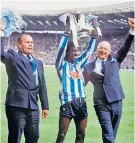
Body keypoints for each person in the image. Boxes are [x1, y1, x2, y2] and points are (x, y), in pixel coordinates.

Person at [83, 17, 135, 143]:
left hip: (117, 101)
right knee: (107, 133)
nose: (103, 50)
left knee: (112, 134)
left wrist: (132, 30)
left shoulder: (115, 60)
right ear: (97, 50)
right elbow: (81, 84)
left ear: (109, 51)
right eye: (101, 48)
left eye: (106, 49)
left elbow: (126, 46)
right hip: (101, 103)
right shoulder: (88, 66)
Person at [0, 23, 49, 143]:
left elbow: (42, 84)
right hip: (16, 105)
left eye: (32, 42)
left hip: (33, 105)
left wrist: (45, 105)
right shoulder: (13, 57)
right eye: (27, 42)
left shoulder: (38, 63)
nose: (31, 44)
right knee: (15, 138)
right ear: (18, 44)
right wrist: (1, 34)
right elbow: (1, 55)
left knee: (34, 137)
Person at [55, 16, 100, 143]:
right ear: (67, 52)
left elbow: (89, 51)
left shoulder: (79, 64)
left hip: (81, 103)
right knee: (62, 135)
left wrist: (95, 33)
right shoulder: (61, 65)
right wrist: (67, 30)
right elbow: (60, 50)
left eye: (77, 51)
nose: (76, 53)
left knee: (81, 135)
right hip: (67, 103)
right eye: (74, 51)